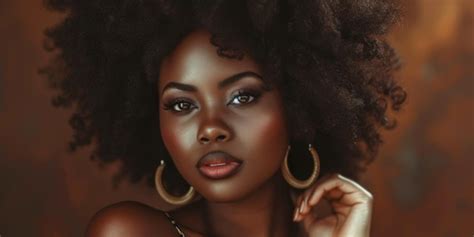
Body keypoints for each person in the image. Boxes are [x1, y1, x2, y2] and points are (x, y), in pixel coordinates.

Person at [42, 0, 406, 236]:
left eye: (242, 96)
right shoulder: (128, 232)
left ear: (299, 108)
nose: (211, 129)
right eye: (182, 105)